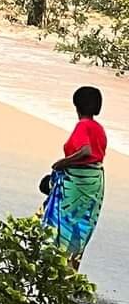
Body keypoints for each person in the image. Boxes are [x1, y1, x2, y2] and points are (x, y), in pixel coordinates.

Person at [42, 86, 107, 269]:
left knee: (65, 223)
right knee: (81, 225)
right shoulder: (99, 128)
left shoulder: (83, 125)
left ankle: (59, 269)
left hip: (78, 182)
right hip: (94, 181)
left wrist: (63, 162)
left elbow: (85, 151)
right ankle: (72, 270)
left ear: (76, 105)